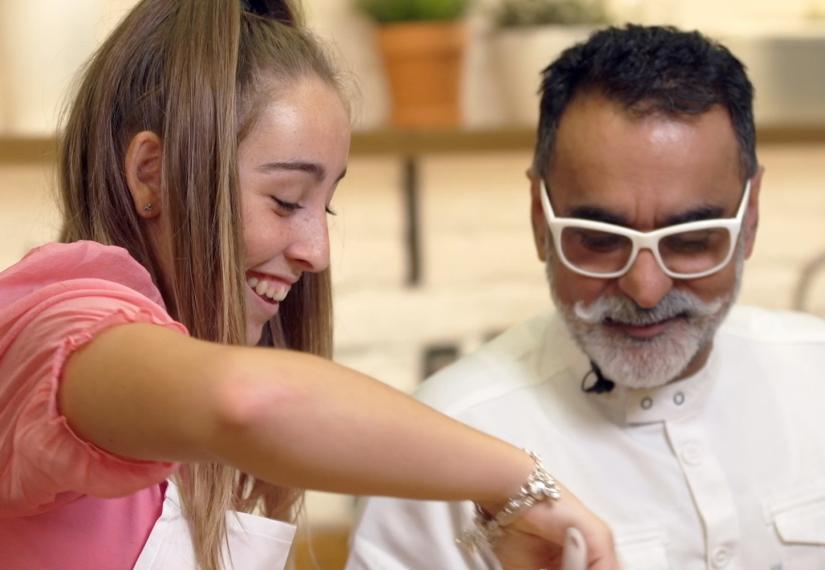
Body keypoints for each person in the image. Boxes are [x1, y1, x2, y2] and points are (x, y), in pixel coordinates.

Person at [0, 1, 621, 569]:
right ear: (150, 173)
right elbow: (247, 403)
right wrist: (515, 483)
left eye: (324, 207)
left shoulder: (188, 402)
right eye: (285, 198)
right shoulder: (53, 325)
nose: (316, 253)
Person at [347, 24, 825, 569]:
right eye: (599, 241)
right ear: (538, 217)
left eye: (691, 241)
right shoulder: (443, 443)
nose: (646, 289)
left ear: (752, 215)